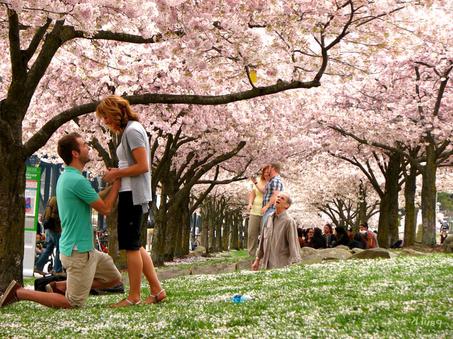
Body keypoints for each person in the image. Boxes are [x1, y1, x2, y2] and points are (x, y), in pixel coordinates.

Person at [1, 133, 122, 308]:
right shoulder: (77, 180)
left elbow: (94, 198)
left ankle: (59, 286)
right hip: (78, 252)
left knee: (114, 279)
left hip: (86, 249)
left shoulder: (67, 177)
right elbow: (105, 208)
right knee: (73, 303)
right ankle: (20, 293)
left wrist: (111, 186)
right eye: (83, 145)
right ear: (75, 153)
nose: (88, 147)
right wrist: (118, 184)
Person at [96, 95, 165, 307]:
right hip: (130, 192)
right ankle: (156, 290)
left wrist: (117, 173)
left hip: (133, 193)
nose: (105, 122)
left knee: (132, 246)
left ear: (116, 112)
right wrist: (119, 173)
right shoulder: (130, 131)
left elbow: (143, 165)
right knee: (135, 243)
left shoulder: (133, 131)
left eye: (106, 117)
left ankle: (134, 295)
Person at [252, 192, 301, 270]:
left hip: (281, 267)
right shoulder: (268, 218)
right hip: (265, 266)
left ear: (287, 206)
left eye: (282, 198)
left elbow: (293, 244)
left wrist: (295, 264)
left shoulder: (289, 222)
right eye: (278, 197)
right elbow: (262, 241)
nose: (278, 198)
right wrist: (257, 260)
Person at [34, 196, 63, 276]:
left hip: (49, 227)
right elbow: (56, 215)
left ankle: (38, 266)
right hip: (55, 228)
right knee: (59, 249)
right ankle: (57, 269)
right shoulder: (59, 200)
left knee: (49, 249)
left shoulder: (52, 198)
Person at [246, 166, 269, 257]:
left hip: (266, 211)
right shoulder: (258, 180)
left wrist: (255, 182)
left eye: (268, 172)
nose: (266, 173)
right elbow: (253, 193)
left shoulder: (271, 182)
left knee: (265, 234)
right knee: (251, 233)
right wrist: (250, 203)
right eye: (265, 172)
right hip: (255, 209)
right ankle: (251, 254)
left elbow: (264, 191)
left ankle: (263, 254)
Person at [260, 163, 284, 230]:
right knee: (264, 230)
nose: (268, 170)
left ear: (273, 168)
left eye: (269, 168)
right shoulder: (272, 180)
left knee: (266, 231)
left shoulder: (276, 180)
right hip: (268, 210)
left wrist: (266, 206)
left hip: (271, 209)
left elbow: (275, 195)